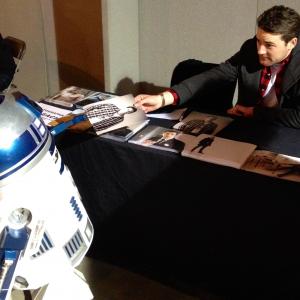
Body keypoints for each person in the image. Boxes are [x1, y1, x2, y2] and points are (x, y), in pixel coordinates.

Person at [134, 5, 300, 128]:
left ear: (292, 43)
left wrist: (254, 113)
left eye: (269, 45)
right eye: (258, 40)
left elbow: (298, 117)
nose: (260, 50)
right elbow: (215, 76)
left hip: (286, 136)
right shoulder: (250, 48)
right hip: (246, 130)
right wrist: (163, 98)